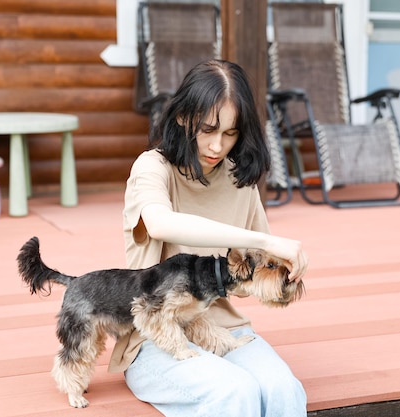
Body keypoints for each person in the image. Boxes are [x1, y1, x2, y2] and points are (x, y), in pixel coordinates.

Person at [108, 59, 309, 417]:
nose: (217, 146)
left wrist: (283, 277)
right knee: (235, 393)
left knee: (284, 392)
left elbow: (247, 280)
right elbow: (160, 223)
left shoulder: (238, 179)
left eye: (230, 133)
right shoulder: (152, 168)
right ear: (184, 117)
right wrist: (264, 241)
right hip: (157, 335)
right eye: (208, 129)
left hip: (222, 328)